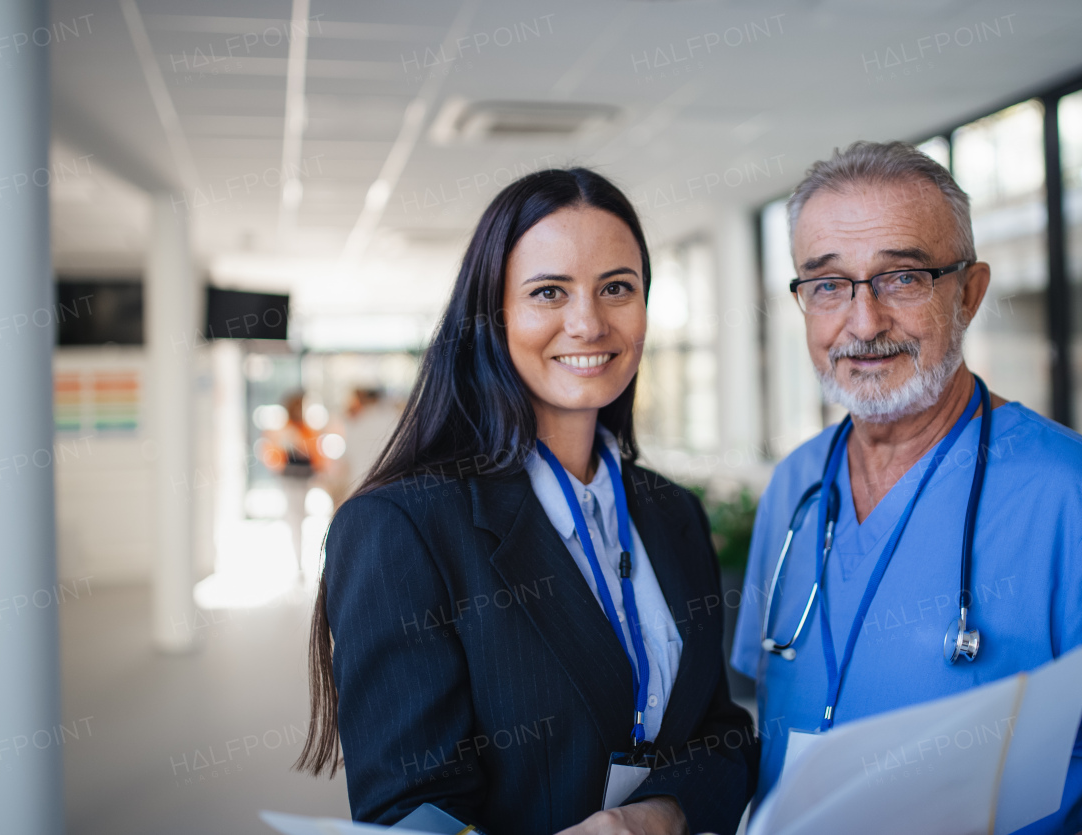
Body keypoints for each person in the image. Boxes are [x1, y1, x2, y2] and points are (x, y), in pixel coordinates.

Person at [730, 142, 1082, 833]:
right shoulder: (794, 485)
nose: (864, 321)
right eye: (828, 284)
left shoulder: (1081, 500)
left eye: (902, 277)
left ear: (968, 291)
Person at [296, 168, 757, 835]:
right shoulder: (401, 527)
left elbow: (721, 732)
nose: (589, 322)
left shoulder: (672, 514)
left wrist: (653, 815)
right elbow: (410, 810)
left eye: (617, 288)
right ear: (493, 316)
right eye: (549, 291)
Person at [260, 390, 323, 573]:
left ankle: (301, 558)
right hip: (289, 477)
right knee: (294, 516)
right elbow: (272, 453)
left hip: (304, 477)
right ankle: (298, 561)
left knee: (300, 515)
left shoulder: (307, 428)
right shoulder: (283, 429)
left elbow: (315, 452)